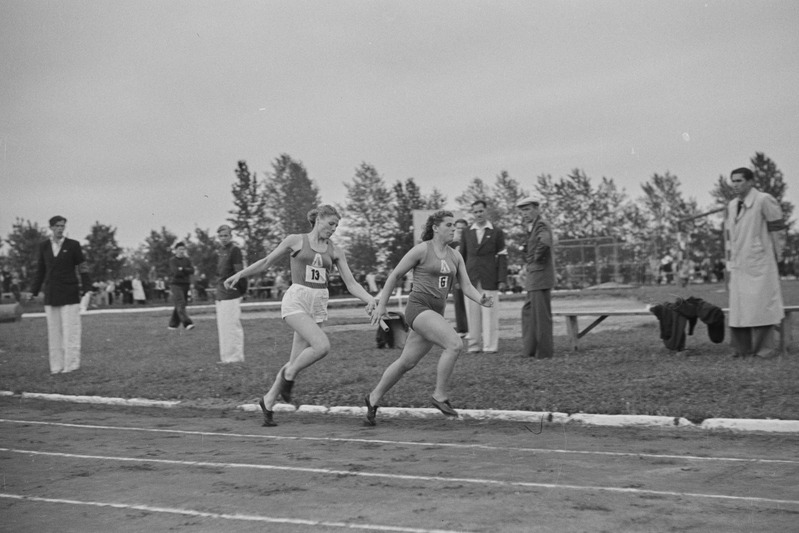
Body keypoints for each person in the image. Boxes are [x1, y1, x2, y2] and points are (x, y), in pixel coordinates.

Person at [224, 205, 376, 426]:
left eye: (336, 226)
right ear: (318, 219)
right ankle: (289, 376)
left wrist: (370, 299)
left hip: (319, 303)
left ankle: (268, 401)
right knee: (322, 346)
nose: (333, 229)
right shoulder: (296, 240)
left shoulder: (335, 251)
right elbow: (266, 262)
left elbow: (351, 283)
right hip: (297, 300)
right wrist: (240, 273)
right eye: (330, 223)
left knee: (295, 360)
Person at [364, 210, 493, 426]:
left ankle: (373, 397)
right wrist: (382, 306)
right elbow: (394, 276)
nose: (454, 229)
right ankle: (440, 395)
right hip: (418, 308)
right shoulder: (422, 250)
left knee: (407, 362)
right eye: (449, 225)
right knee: (454, 344)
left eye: (455, 225)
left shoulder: (455, 255)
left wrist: (481, 299)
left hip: (435, 311)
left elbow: (467, 285)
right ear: (435, 227)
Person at [725, 167, 786, 358]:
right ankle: (741, 349)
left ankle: (764, 350)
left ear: (750, 182)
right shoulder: (732, 205)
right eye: (733, 181)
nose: (735, 184)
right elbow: (731, 236)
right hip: (739, 263)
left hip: (760, 262)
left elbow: (778, 230)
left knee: (762, 307)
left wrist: (779, 255)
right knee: (739, 309)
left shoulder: (763, 200)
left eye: (739, 180)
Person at [29, 216, 92, 374]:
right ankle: (56, 366)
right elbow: (40, 271)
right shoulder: (43, 246)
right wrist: (33, 290)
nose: (60, 228)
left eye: (62, 226)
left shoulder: (73, 245)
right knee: (54, 331)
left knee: (70, 330)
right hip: (51, 294)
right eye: (57, 226)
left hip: (70, 293)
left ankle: (71, 365)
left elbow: (82, 267)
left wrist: (87, 287)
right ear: (51, 227)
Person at [460, 200, 508, 353]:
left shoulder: (496, 232)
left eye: (481, 211)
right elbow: (461, 256)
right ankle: (474, 345)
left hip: (489, 278)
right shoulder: (467, 232)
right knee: (472, 312)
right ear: (472, 213)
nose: (478, 214)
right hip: (471, 279)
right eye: (475, 212)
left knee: (489, 312)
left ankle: (490, 346)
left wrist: (501, 278)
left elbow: (502, 256)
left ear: (486, 212)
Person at [518, 196, 555, 359]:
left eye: (527, 209)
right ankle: (530, 349)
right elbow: (535, 244)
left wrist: (534, 259)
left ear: (537, 208)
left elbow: (545, 243)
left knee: (541, 316)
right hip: (534, 277)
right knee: (529, 312)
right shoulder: (531, 227)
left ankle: (544, 353)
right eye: (522, 211)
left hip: (540, 275)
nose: (524, 214)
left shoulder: (541, 224)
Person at [215, 224, 246, 363]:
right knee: (223, 328)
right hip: (220, 294)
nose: (223, 238)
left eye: (226, 235)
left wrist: (241, 290)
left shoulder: (235, 250)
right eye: (221, 236)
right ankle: (226, 358)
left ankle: (235, 359)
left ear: (231, 236)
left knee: (232, 327)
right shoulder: (220, 250)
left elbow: (240, 273)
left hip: (231, 294)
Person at [449, 218, 469, 337]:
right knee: (459, 303)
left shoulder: (471, 242)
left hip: (471, 276)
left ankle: (473, 329)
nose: (461, 230)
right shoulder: (451, 244)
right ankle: (462, 329)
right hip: (456, 276)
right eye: (458, 228)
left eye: (463, 227)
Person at [168, 242, 195, 330]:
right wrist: (184, 270)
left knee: (180, 304)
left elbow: (192, 270)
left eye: (183, 249)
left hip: (185, 284)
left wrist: (182, 269)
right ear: (175, 250)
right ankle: (187, 323)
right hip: (176, 284)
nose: (182, 251)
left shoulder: (187, 260)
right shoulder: (172, 260)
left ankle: (172, 324)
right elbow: (176, 272)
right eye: (180, 249)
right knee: (181, 302)